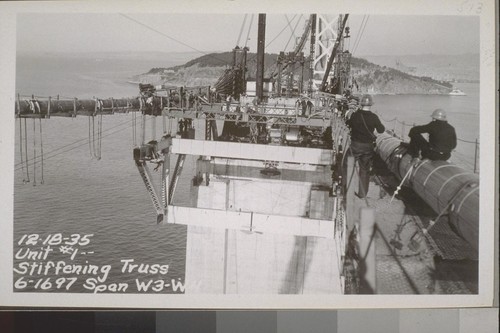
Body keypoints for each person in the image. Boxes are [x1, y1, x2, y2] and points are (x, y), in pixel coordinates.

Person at [346, 94, 385, 198]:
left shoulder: (355, 115)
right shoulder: (374, 117)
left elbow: (349, 124)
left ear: (361, 104)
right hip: (368, 147)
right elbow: (381, 130)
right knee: (364, 170)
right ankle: (362, 194)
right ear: (370, 105)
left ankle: (346, 189)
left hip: (355, 145)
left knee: (347, 164)